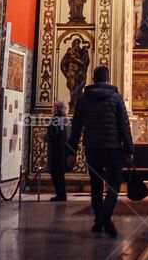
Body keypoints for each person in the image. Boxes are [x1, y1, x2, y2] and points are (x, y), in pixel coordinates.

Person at [67, 66, 134, 238]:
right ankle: (104, 218)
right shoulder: (116, 98)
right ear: (108, 79)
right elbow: (124, 125)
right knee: (114, 184)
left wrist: (71, 152)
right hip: (113, 148)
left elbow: (76, 128)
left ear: (93, 79)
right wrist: (129, 150)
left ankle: (99, 220)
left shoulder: (83, 99)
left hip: (92, 147)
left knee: (96, 185)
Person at [46, 101, 71, 202]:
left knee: (56, 175)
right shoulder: (66, 119)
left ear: (58, 109)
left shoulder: (55, 119)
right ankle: (62, 195)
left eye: (54, 106)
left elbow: (53, 135)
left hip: (56, 151)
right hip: (64, 150)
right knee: (60, 175)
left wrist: (47, 135)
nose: (52, 108)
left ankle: (60, 195)